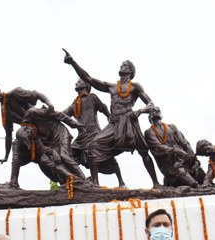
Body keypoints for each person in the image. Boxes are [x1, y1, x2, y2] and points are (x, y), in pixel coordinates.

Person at [63, 50, 160, 187]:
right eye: (122, 64)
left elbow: (151, 104)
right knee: (93, 146)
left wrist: (140, 111)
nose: (122, 66)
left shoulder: (135, 87)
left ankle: (156, 183)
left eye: (125, 65)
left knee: (143, 150)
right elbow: (89, 79)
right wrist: (73, 63)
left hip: (129, 121)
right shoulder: (112, 87)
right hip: (114, 123)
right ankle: (95, 184)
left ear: (130, 71)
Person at [63, 80, 124, 187]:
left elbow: (103, 108)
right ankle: (75, 179)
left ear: (86, 85)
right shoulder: (75, 104)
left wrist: (110, 118)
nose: (76, 83)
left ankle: (120, 182)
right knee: (68, 153)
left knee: (105, 158)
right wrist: (50, 113)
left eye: (79, 82)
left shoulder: (92, 97)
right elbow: (63, 114)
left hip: (94, 134)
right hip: (81, 138)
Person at [8, 106, 86, 188]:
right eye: (31, 137)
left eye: (31, 134)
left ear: (27, 128)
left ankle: (82, 178)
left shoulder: (32, 113)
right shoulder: (35, 138)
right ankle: (70, 176)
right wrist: (54, 152)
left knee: (64, 155)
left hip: (60, 133)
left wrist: (74, 124)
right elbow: (44, 149)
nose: (33, 134)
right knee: (44, 159)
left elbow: (58, 114)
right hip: (51, 143)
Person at [0, 82, 54, 165]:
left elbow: (37, 94)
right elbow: (8, 135)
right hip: (30, 132)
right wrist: (6, 156)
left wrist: (50, 105)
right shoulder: (5, 113)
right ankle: (13, 178)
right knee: (16, 145)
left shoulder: (15, 93)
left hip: (42, 123)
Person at [144, 107, 205, 188]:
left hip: (183, 158)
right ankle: (199, 187)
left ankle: (209, 187)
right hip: (170, 164)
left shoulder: (171, 127)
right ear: (150, 119)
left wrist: (194, 160)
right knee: (193, 183)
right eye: (153, 114)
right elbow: (158, 147)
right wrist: (176, 151)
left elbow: (185, 143)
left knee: (200, 174)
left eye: (157, 113)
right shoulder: (149, 132)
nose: (156, 117)